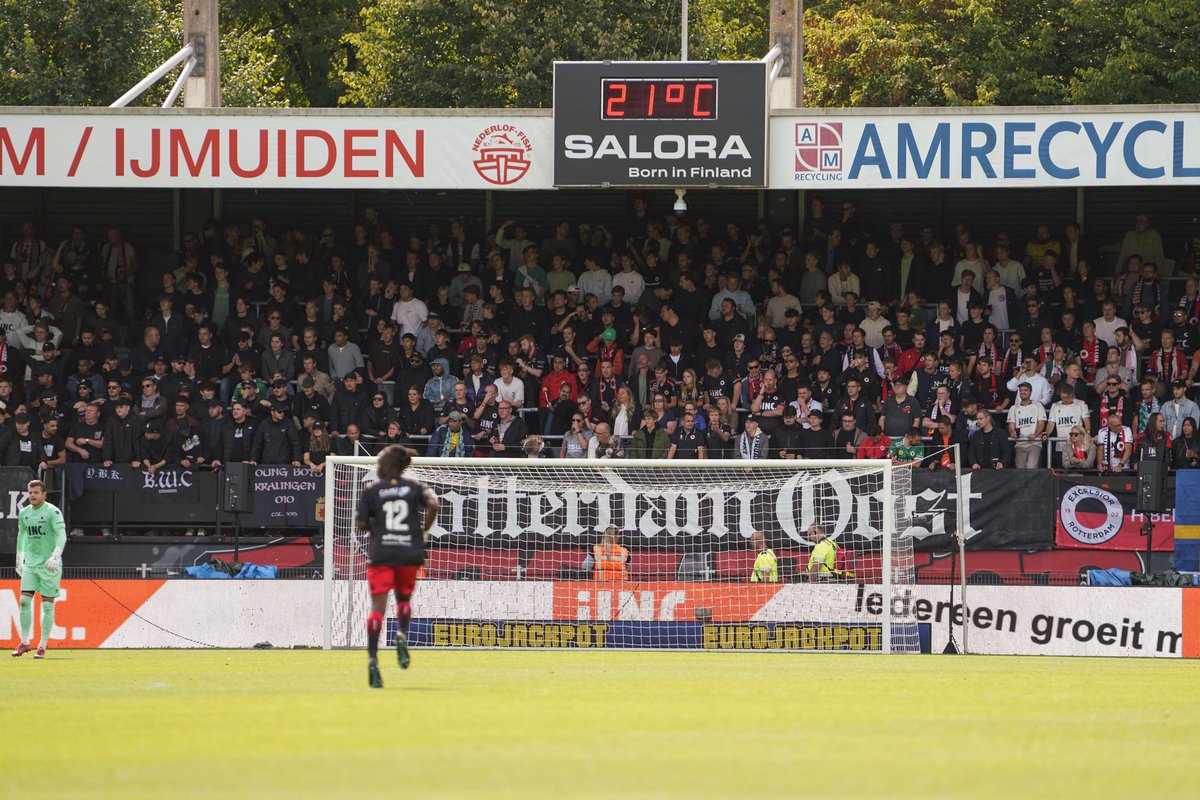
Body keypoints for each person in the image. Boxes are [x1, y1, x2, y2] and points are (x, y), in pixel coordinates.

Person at [357, 445, 439, 688]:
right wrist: (423, 529)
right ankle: (402, 633)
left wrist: (378, 529)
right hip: (409, 551)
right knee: (403, 600)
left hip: (382, 552)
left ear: (390, 465)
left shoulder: (372, 489)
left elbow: (361, 523)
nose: (377, 465)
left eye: (380, 461)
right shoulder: (416, 487)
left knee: (377, 608)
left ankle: (373, 660)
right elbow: (434, 504)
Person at [12, 480, 66, 659]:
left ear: (44, 494)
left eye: (36, 493)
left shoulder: (52, 512)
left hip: (50, 565)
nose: (32, 496)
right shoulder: (25, 513)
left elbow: (62, 534)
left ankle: (42, 645)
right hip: (31, 565)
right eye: (30, 493)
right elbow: (22, 536)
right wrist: (19, 559)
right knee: (25, 602)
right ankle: (25, 642)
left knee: (48, 606)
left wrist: (56, 555)